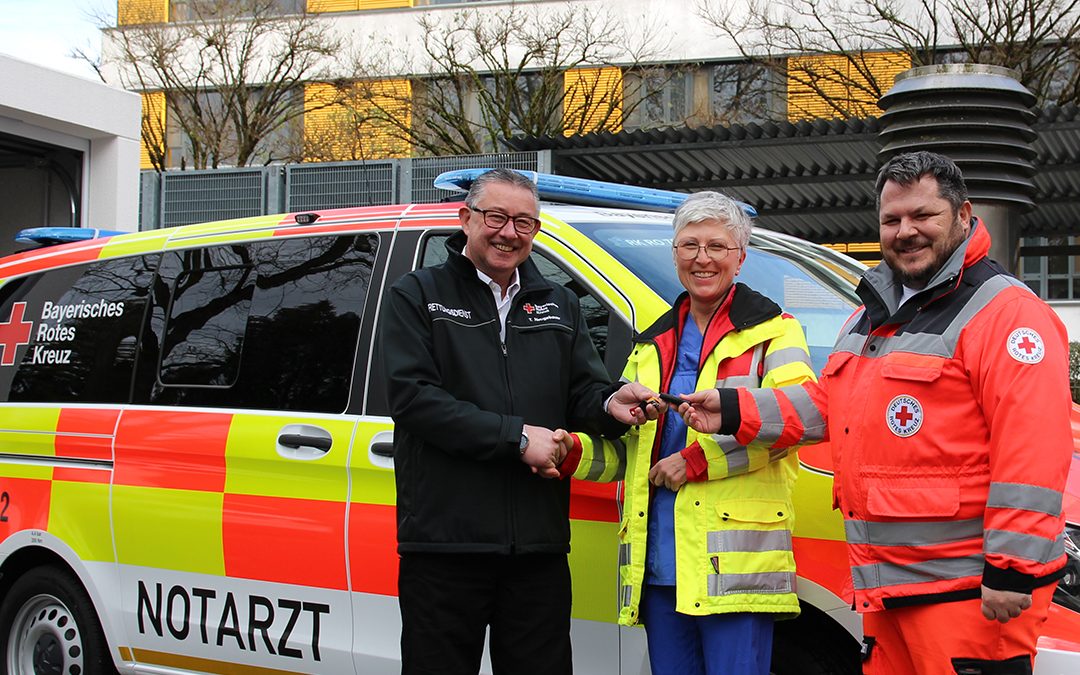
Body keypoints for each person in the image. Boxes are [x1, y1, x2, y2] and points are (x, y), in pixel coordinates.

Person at [678, 151, 1073, 674]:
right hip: (891, 588)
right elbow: (830, 405)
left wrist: (1013, 569)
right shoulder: (872, 314)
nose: (906, 231)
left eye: (922, 216)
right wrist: (733, 409)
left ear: (962, 214)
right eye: (892, 220)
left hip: (969, 590)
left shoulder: (1007, 314)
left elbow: (1033, 450)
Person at [377, 168, 627, 675]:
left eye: (524, 223)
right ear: (465, 219)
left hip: (537, 543)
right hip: (447, 543)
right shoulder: (417, 294)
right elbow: (413, 398)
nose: (509, 233)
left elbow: (581, 389)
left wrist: (611, 404)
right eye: (496, 217)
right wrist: (515, 438)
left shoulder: (557, 303)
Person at [557, 191, 816, 675]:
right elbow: (635, 456)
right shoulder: (651, 342)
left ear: (740, 258)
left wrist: (697, 460)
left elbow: (800, 420)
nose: (702, 259)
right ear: (674, 254)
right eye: (689, 245)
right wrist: (571, 452)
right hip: (660, 564)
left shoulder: (776, 331)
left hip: (735, 570)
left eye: (717, 247)